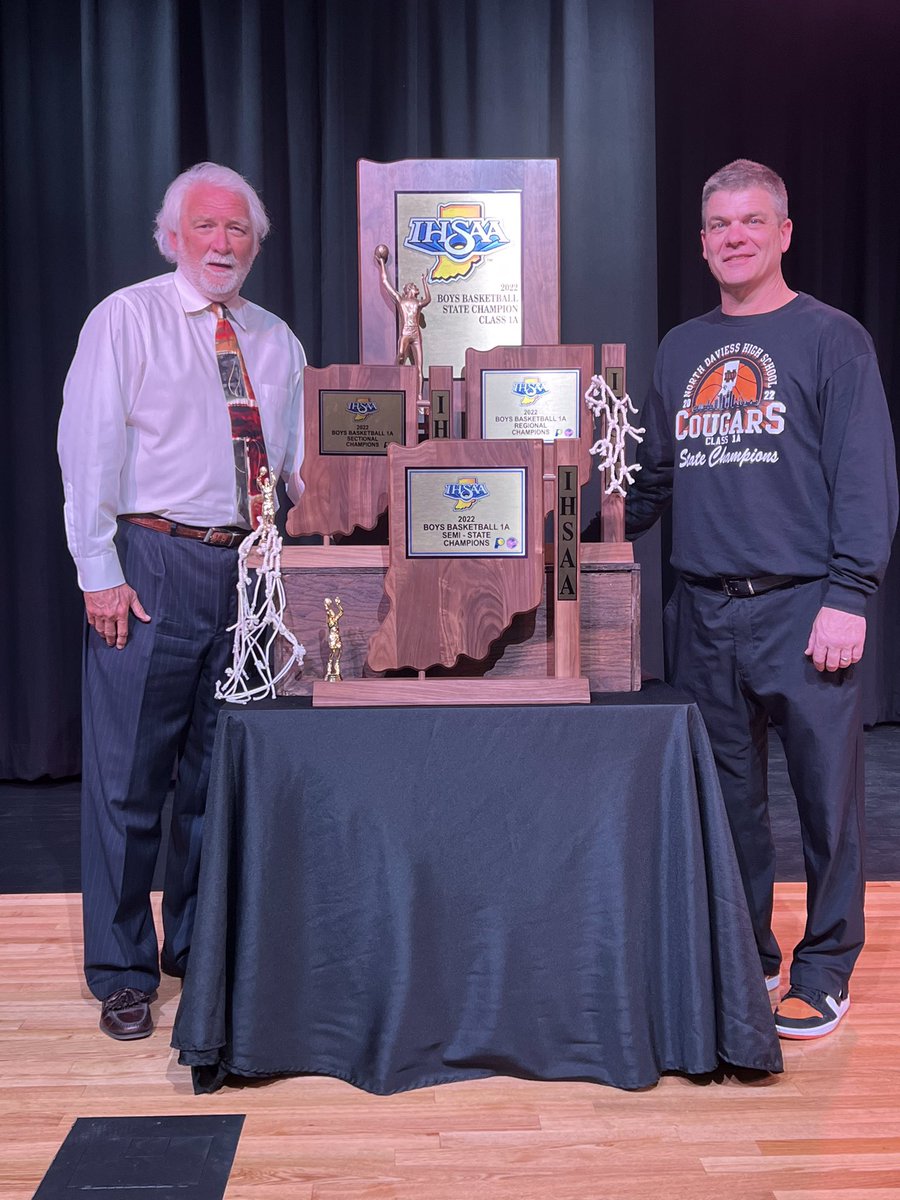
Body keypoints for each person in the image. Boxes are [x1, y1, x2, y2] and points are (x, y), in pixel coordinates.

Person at [626, 159, 897, 1039]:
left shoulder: (832, 338)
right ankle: (748, 952)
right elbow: (653, 482)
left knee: (826, 805)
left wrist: (850, 594)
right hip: (703, 611)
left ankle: (824, 970)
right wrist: (562, 512)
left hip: (805, 604)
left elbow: (864, 480)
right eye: (719, 226)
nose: (734, 237)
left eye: (752, 222)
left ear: (783, 233)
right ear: (702, 242)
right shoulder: (678, 348)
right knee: (730, 802)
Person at [58, 162, 306, 1040]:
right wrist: (98, 570)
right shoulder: (126, 319)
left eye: (238, 230)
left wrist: (279, 556)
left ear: (256, 244)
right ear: (172, 239)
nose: (223, 243)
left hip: (246, 574)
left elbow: (292, 465)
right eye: (205, 227)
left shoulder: (277, 341)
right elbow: (86, 448)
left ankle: (197, 950)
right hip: (150, 563)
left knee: (215, 779)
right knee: (130, 782)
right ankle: (122, 969)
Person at [375, 246, 431, 408]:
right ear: (408, 290)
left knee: (419, 366)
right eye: (414, 286)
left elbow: (428, 299)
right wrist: (381, 263)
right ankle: (395, 388)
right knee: (400, 358)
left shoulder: (418, 303)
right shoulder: (400, 299)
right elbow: (386, 282)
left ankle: (419, 395)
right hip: (406, 334)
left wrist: (424, 282)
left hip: (416, 335)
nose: (416, 288)